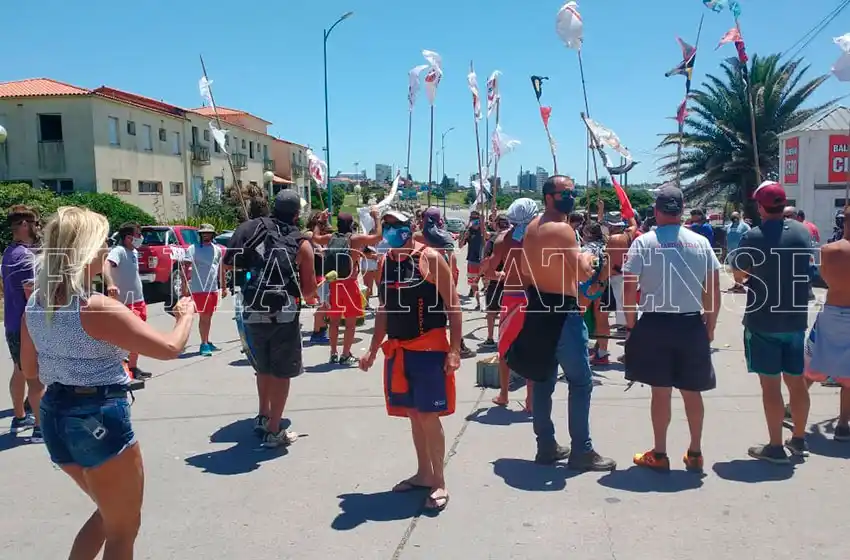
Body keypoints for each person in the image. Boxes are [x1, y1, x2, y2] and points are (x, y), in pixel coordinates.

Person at [22, 206, 195, 558]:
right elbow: (168, 348)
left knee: (107, 515)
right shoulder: (94, 306)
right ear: (85, 251)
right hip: (98, 415)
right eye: (102, 243)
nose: (106, 251)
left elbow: (30, 369)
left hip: (55, 415)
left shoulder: (36, 303)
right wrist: (185, 316)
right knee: (123, 528)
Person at [505, 176, 616, 470]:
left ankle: (546, 446)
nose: (572, 196)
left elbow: (527, 273)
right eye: (567, 192)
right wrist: (591, 257)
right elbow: (581, 273)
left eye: (573, 191)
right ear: (550, 196)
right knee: (581, 382)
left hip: (538, 306)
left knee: (543, 380)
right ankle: (582, 450)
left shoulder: (531, 228)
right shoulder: (563, 230)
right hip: (563, 311)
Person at [359, 210, 462, 512]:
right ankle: (423, 474)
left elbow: (454, 306)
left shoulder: (429, 258)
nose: (391, 230)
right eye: (386, 225)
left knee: (429, 416)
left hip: (429, 350)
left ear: (411, 228)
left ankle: (439, 481)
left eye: (397, 225)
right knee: (414, 416)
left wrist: (454, 350)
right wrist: (372, 348)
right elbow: (384, 311)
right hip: (399, 350)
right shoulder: (385, 262)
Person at [622, 185, 721, 471]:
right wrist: (710, 326)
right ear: (682, 211)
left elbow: (629, 290)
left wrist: (631, 325)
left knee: (661, 392)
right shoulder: (701, 242)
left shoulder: (644, 243)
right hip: (691, 323)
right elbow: (713, 289)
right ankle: (695, 452)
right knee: (693, 391)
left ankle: (660, 453)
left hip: (654, 324)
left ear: (656, 211)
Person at [223, 190, 318, 447]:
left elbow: (228, 264)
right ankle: (275, 429)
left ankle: (263, 415)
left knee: (262, 367)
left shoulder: (249, 228)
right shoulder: (302, 243)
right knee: (281, 372)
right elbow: (309, 292)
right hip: (284, 314)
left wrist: (254, 272)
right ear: (297, 214)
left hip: (253, 309)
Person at [730, 181, 813, 463]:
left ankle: (775, 447)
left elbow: (739, 275)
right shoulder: (803, 232)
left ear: (760, 206)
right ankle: (799, 440)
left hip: (763, 321)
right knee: (797, 383)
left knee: (771, 387)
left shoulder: (753, 237)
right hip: (796, 321)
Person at [803, 206, 850, 440]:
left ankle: (795, 408)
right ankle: (843, 424)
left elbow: (823, 277)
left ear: (843, 223)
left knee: (812, 363)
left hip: (831, 313)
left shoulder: (828, 250)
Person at [488, 198, 537, 411]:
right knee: (532, 348)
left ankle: (504, 394)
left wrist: (503, 274)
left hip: (512, 295)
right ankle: (530, 400)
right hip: (535, 297)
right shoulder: (539, 238)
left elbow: (489, 271)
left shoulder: (502, 239)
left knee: (505, 347)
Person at [2, 205, 43, 440]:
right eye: (36, 224)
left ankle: (20, 417)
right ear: (25, 225)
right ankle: (40, 427)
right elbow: (31, 292)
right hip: (27, 325)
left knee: (19, 370)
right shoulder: (26, 258)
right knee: (36, 377)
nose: (38, 228)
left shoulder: (10, 252)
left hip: (12, 323)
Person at [323, 211, 382, 365]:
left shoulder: (331, 238)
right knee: (350, 323)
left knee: (334, 322)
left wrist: (320, 222)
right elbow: (378, 237)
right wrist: (376, 217)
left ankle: (333, 353)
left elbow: (314, 237)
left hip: (335, 284)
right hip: (349, 284)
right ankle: (345, 354)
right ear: (351, 225)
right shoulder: (354, 239)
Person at [419, 207, 475, 360]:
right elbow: (451, 262)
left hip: (423, 278)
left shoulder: (418, 236)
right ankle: (458, 345)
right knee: (450, 312)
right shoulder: (444, 236)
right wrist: (450, 280)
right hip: (443, 276)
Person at [102, 222, 151, 380]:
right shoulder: (119, 251)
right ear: (129, 238)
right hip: (126, 303)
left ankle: (133, 367)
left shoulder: (133, 252)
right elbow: (106, 266)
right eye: (138, 235)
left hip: (139, 301)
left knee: (138, 337)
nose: (141, 238)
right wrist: (110, 283)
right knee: (128, 338)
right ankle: (123, 370)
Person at [182, 223, 227, 356]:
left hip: (212, 288)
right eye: (203, 233)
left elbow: (220, 268)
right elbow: (185, 268)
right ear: (200, 235)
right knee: (204, 317)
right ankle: (204, 343)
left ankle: (207, 340)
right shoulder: (193, 249)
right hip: (199, 289)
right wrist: (184, 286)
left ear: (213, 235)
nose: (206, 235)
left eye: (208, 233)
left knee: (209, 316)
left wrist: (223, 287)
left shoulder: (217, 249)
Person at [480, 213, 510, 349]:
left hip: (496, 279)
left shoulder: (493, 240)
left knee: (492, 312)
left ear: (496, 224)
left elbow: (485, 263)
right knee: (509, 312)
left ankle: (491, 338)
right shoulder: (516, 239)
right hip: (513, 281)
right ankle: (505, 338)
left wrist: (488, 274)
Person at [306, 210, 331, 345]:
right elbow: (321, 252)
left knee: (326, 303)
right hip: (316, 274)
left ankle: (321, 329)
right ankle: (317, 332)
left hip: (322, 272)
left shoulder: (320, 235)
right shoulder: (309, 234)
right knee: (324, 304)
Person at [458, 210, 487, 309]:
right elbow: (460, 246)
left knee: (486, 283)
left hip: (484, 260)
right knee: (474, 284)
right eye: (473, 219)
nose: (475, 221)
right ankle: (479, 303)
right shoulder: (468, 231)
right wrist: (463, 237)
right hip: (472, 261)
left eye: (477, 219)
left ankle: (488, 303)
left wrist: (483, 223)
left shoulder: (483, 230)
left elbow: (487, 235)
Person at [725, 212, 751, 293]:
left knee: (739, 269)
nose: (734, 218)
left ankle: (740, 286)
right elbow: (726, 237)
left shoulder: (744, 226)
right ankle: (737, 285)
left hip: (740, 250)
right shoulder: (729, 226)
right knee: (733, 269)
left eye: (736, 216)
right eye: (732, 216)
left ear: (739, 217)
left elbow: (749, 235)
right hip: (730, 251)